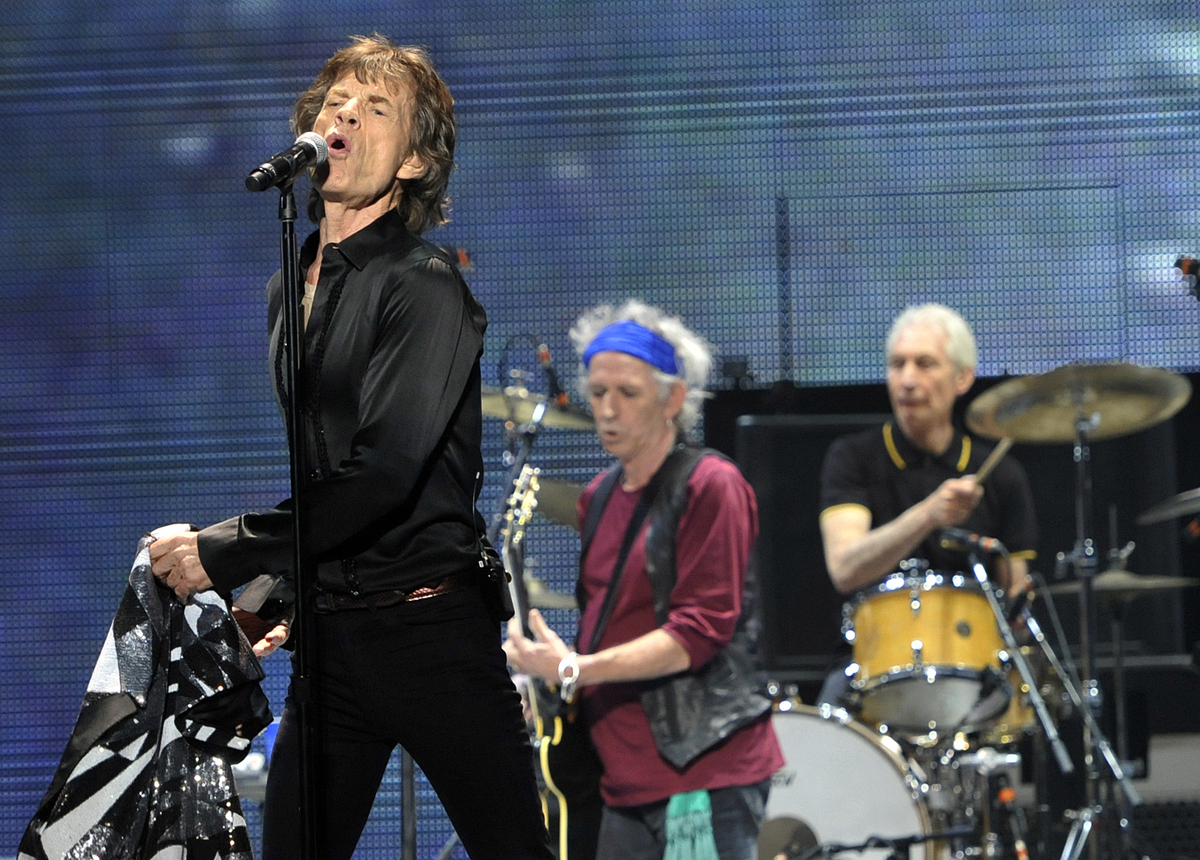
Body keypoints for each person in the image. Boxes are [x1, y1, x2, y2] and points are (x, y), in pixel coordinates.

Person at [148, 34, 551, 860]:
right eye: (336, 103)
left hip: (432, 632)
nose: (346, 116)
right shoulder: (287, 285)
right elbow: (325, 468)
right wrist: (283, 588)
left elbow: (386, 474)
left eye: (376, 110)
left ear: (410, 163)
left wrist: (223, 549)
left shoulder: (424, 282)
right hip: (335, 644)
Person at [503, 300, 784, 860]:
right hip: (620, 778)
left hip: (701, 772)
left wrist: (575, 669)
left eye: (627, 393)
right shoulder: (598, 497)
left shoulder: (712, 485)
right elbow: (614, 619)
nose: (607, 409)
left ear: (672, 399)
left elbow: (696, 634)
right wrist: (555, 678)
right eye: (598, 392)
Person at [817, 304, 1038, 715]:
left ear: (963, 378)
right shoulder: (853, 458)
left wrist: (1019, 609)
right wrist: (928, 514)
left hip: (973, 667)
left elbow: (1014, 598)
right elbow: (845, 568)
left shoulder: (1002, 474)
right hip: (867, 664)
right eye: (897, 364)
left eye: (925, 364)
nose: (907, 380)